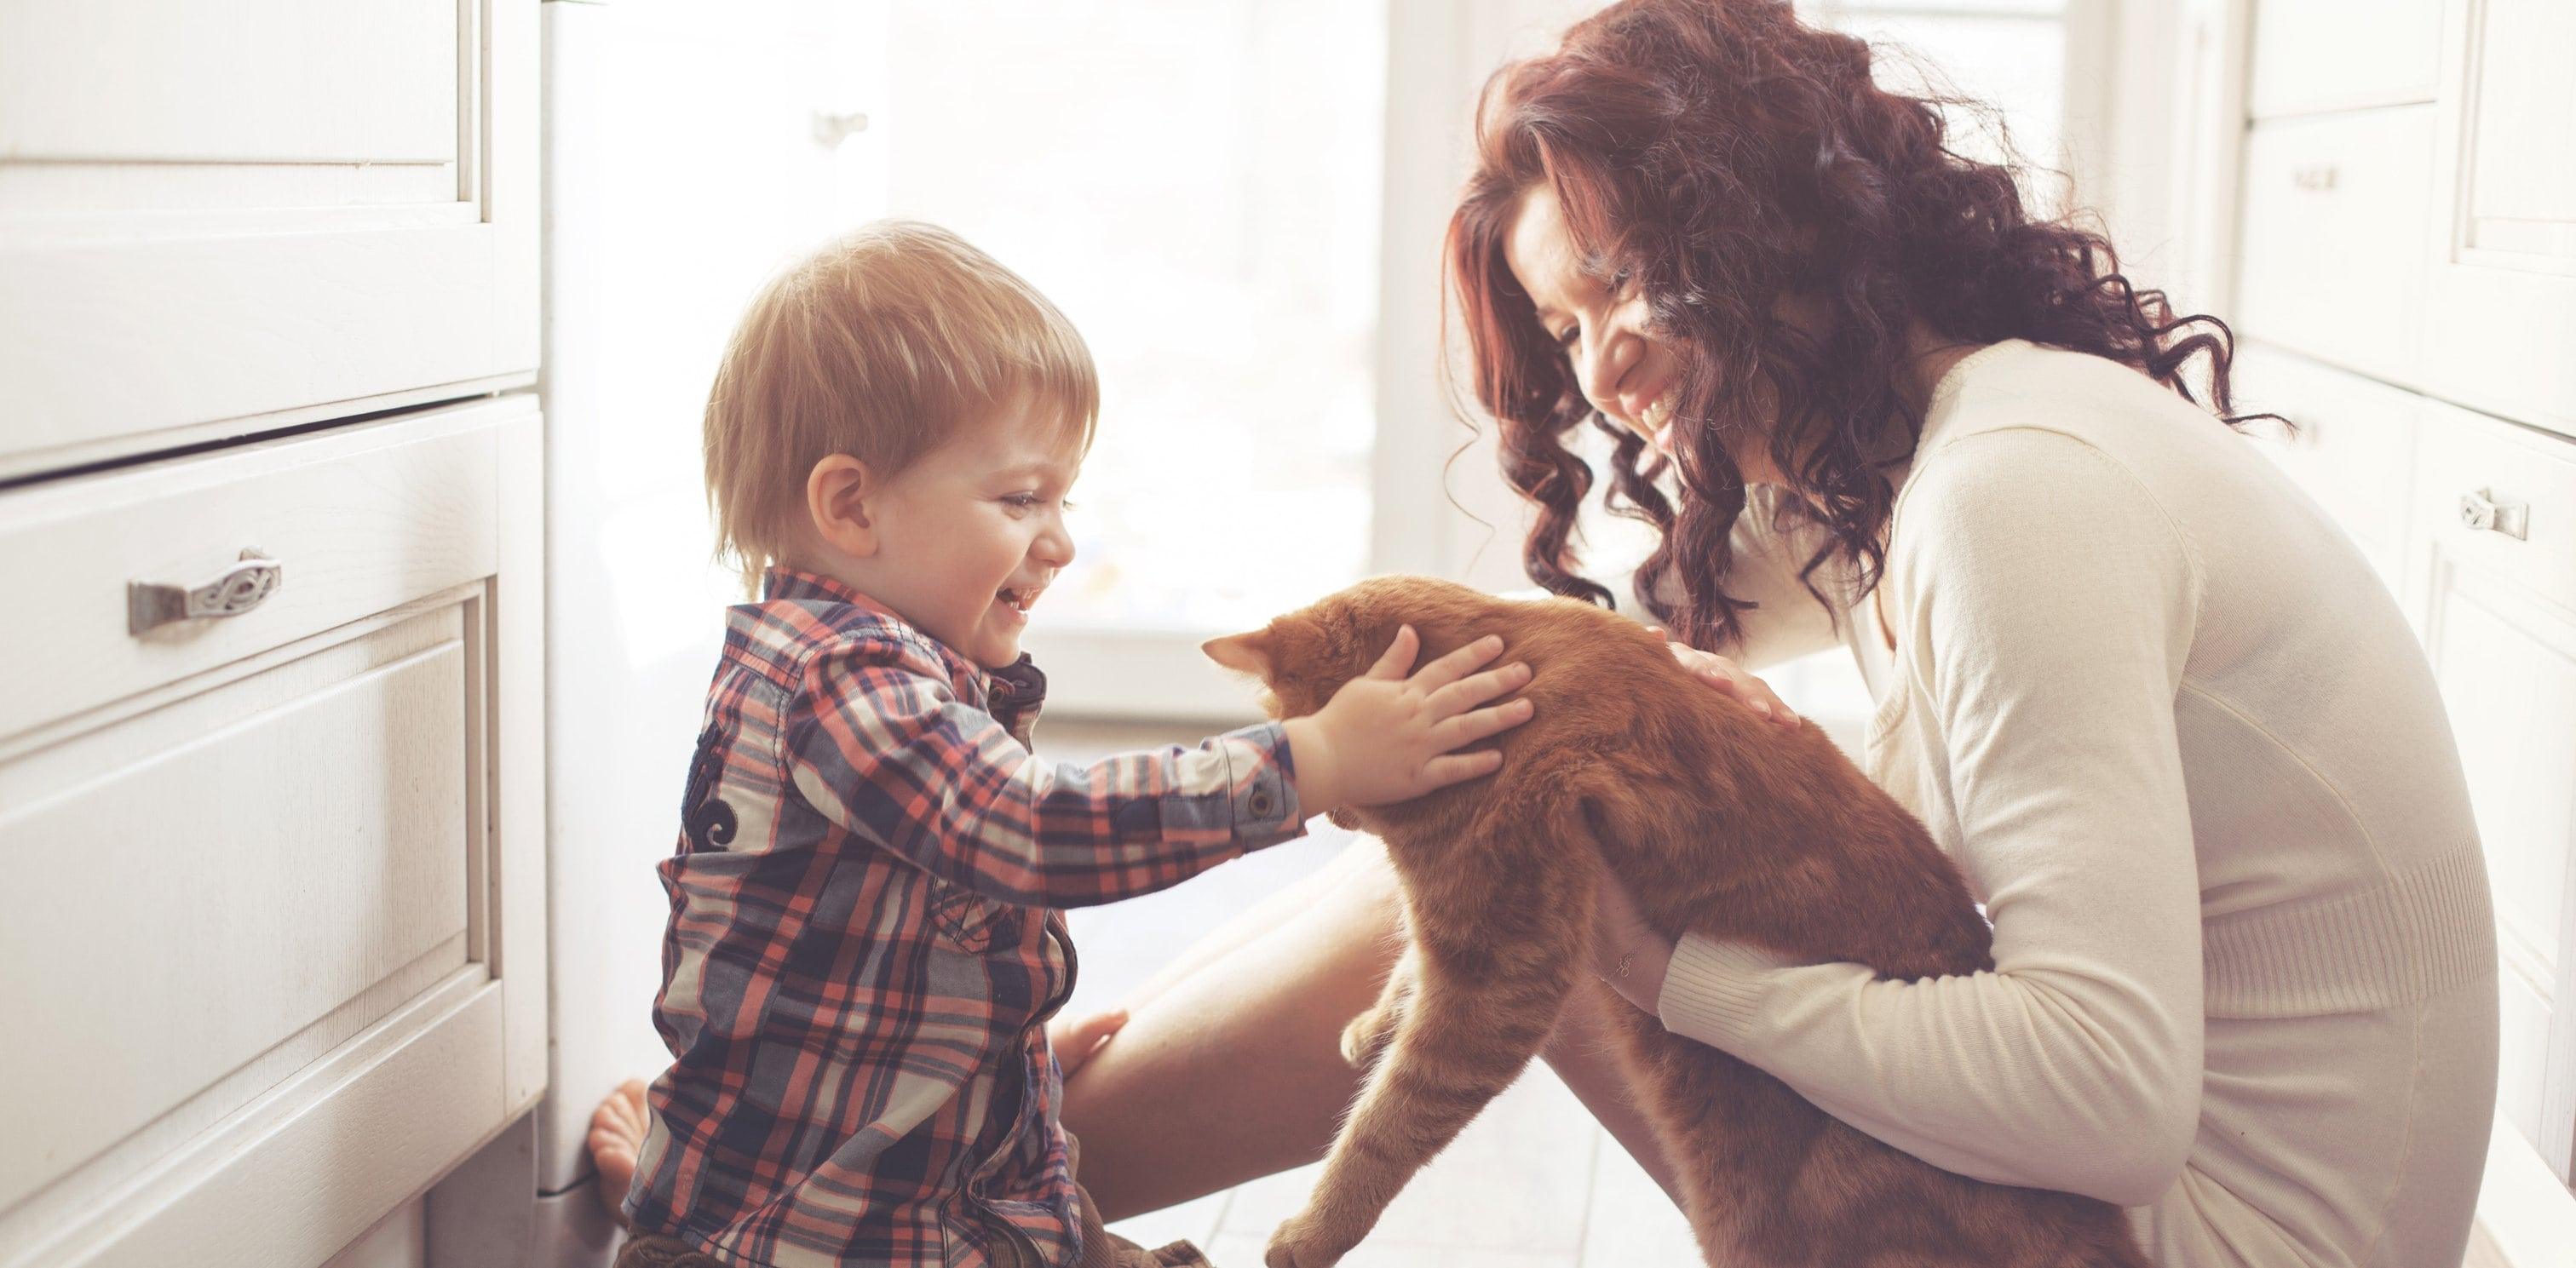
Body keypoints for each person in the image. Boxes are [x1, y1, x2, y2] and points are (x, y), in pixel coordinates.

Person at [1031, 3, 2498, 1265]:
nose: (1596, 369)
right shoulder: (1914, 450)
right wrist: (1110, 1018)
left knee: (1524, 836)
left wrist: (1673, 975)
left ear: (1765, 224)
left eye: (1617, 284)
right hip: (2151, 1204)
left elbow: (2106, 1098)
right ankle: (998, 1130)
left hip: (2187, 1235)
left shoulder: (2015, 496)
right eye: (1558, 327)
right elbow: (1504, 695)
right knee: (1502, 759)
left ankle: (950, 1188)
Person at [608, 220, 1535, 1268]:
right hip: (834, 1241)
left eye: (1065, 497)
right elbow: (1031, 825)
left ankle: (691, 1198)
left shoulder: (883, 664)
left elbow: (873, 960)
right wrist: (1311, 760)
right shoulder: (833, 679)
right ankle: (697, 1227)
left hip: (937, 1192)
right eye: (1020, 498)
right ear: (851, 505)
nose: (1059, 540)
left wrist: (1001, 1066)